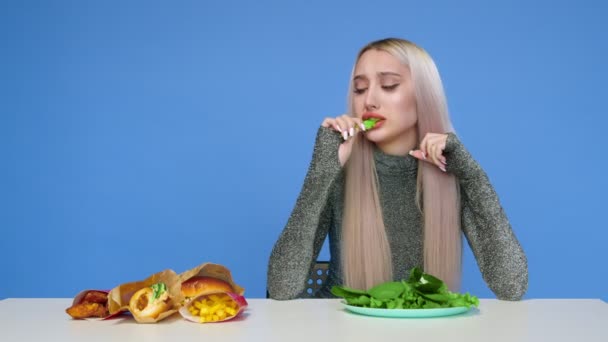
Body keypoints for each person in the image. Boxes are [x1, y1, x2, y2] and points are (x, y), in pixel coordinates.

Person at [267, 38, 528, 301]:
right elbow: (281, 288)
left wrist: (472, 176)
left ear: (423, 95)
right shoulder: (337, 169)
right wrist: (320, 172)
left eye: (388, 85)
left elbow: (511, 285)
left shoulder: (453, 173)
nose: (369, 100)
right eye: (359, 89)